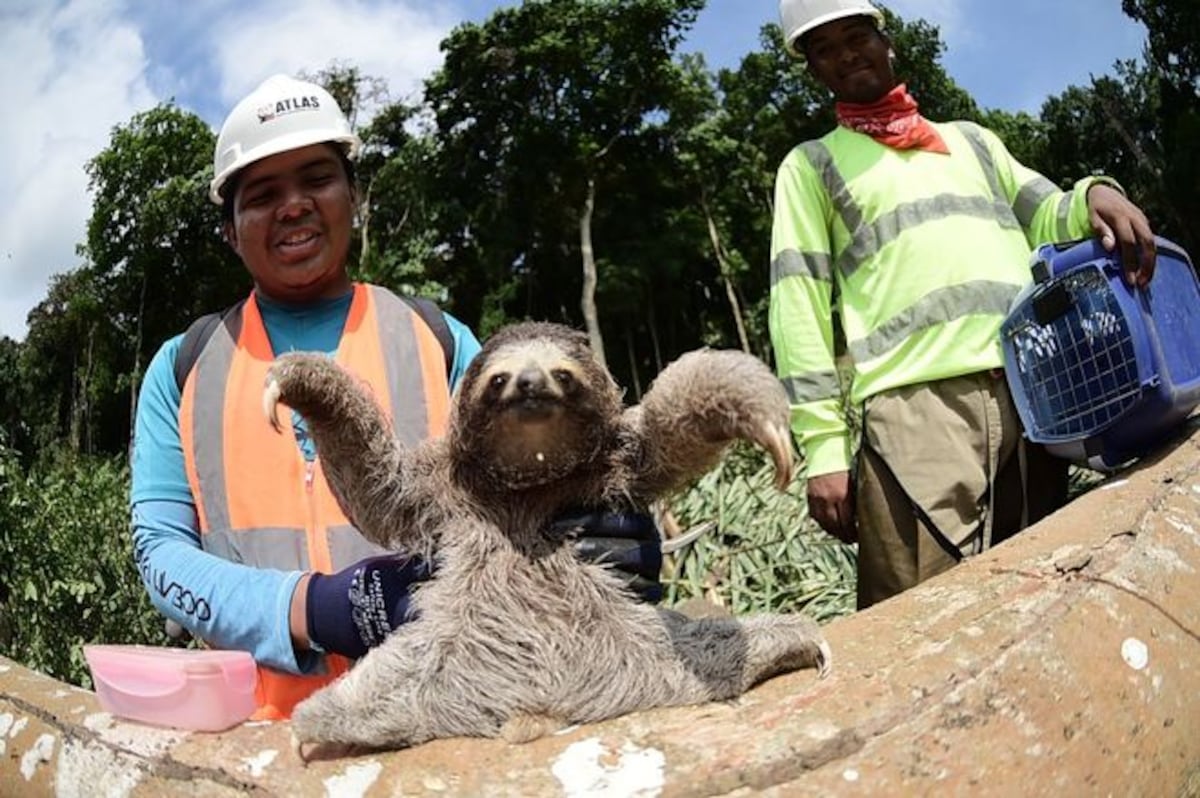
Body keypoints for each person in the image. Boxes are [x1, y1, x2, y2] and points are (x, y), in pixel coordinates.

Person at [130, 74, 662, 720]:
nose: (293, 205)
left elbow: (544, 478)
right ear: (229, 229)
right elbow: (161, 557)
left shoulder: (437, 340)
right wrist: (310, 608)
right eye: (262, 194)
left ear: (353, 196)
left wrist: (608, 530)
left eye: (317, 179)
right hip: (251, 730)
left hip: (450, 715)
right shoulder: (183, 369)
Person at [769, 0, 1158, 609]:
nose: (846, 54)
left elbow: (1049, 213)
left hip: (1032, 394)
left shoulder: (972, 142)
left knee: (1038, 590)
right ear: (814, 70)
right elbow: (798, 308)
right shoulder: (811, 166)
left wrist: (1094, 192)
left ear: (886, 41)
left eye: (857, 35)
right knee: (917, 611)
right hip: (915, 413)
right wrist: (820, 448)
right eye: (824, 48)